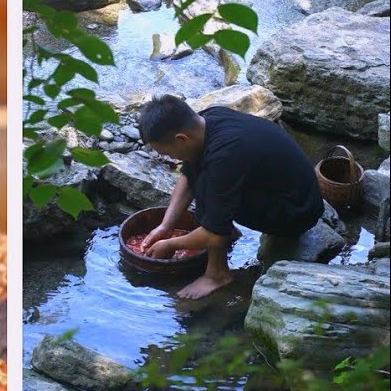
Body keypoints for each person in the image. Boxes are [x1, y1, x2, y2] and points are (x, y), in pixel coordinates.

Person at [137, 94, 323, 300]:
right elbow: (188, 174)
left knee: (212, 193)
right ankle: (227, 235)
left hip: (297, 213)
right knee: (204, 175)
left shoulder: (225, 155)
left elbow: (212, 228)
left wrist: (171, 244)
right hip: (286, 191)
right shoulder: (207, 120)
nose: (172, 159)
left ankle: (217, 274)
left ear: (181, 138)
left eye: (170, 153)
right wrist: (166, 226)